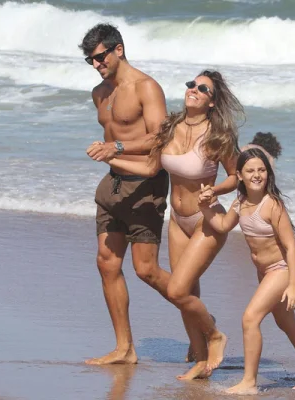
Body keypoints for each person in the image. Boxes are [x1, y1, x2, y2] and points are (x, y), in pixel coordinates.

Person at [104, 70, 245, 380]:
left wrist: (216, 189)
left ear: (212, 101)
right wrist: (112, 159)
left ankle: (215, 334)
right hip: (177, 220)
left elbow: (237, 176)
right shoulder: (170, 126)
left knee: (179, 289)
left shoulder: (218, 134)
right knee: (184, 292)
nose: (193, 89)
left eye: (202, 88)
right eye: (191, 84)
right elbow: (152, 166)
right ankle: (201, 360)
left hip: (205, 219)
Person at [79, 23, 173, 366]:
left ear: (118, 49)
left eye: (100, 57)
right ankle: (124, 349)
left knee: (146, 270)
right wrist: (110, 153)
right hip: (113, 181)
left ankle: (203, 324)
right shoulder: (99, 93)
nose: (96, 64)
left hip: (146, 185)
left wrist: (116, 146)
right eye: (90, 60)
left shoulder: (146, 87)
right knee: (106, 263)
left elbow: (160, 137)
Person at [198, 148, 295, 394]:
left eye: (261, 170)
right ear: (240, 176)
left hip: (282, 269)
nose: (257, 175)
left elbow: (290, 246)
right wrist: (205, 206)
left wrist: (293, 284)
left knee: (250, 318)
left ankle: (249, 382)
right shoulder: (241, 202)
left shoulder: (272, 205)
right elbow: (222, 225)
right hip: (265, 272)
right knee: (285, 322)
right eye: (250, 170)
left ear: (268, 173)